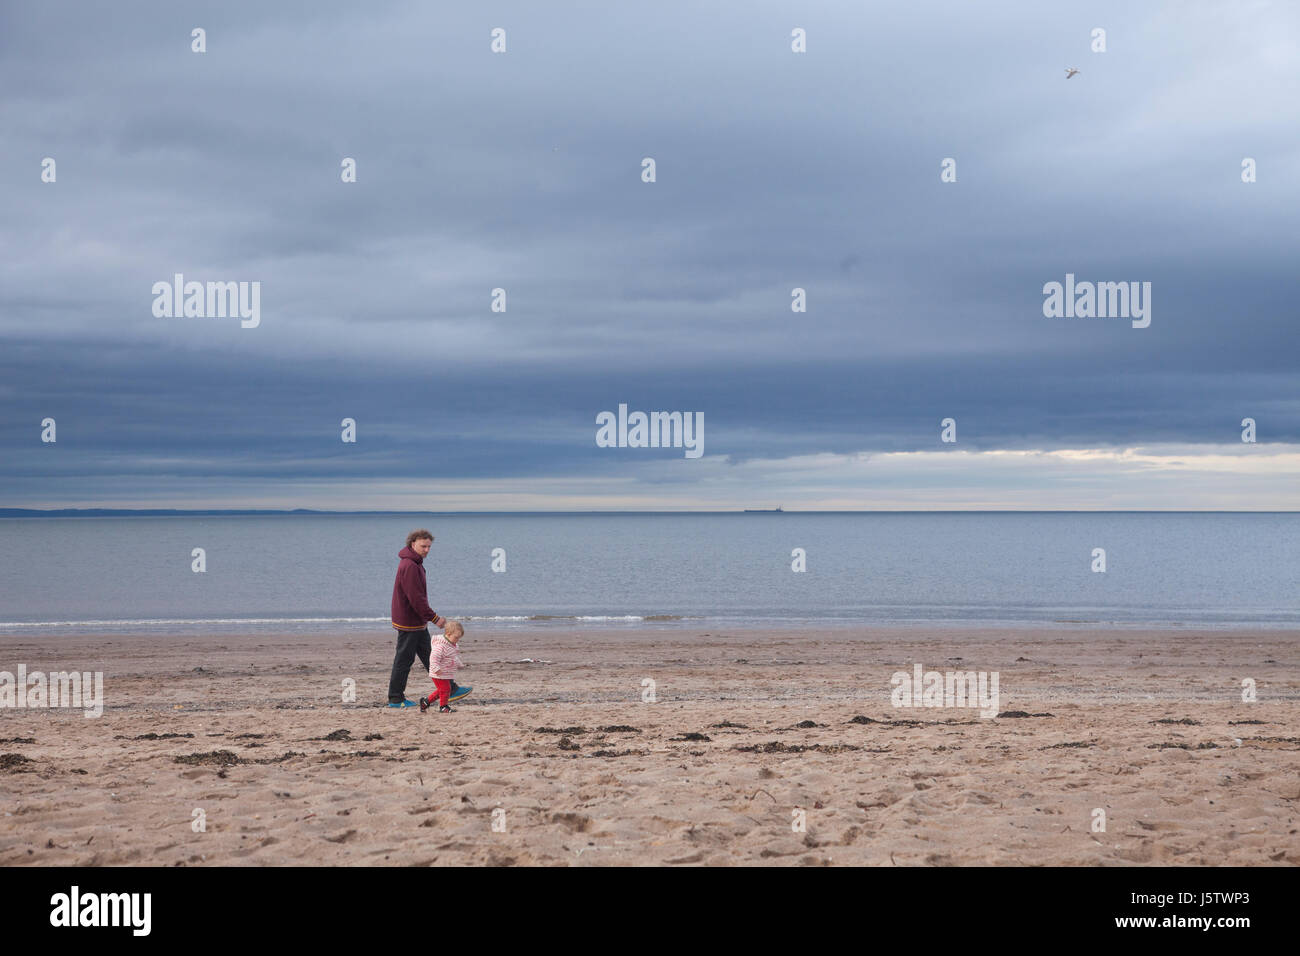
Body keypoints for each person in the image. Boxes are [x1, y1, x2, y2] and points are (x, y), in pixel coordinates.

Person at [387, 529, 449, 708]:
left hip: (416, 621)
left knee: (431, 657)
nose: (427, 550)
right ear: (412, 544)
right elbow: (416, 598)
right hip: (409, 621)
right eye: (423, 546)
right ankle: (395, 698)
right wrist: (434, 617)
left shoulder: (415, 563)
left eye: (429, 546)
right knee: (404, 660)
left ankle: (450, 688)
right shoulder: (410, 566)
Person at [420, 620, 465, 713]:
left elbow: (454, 657)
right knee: (446, 689)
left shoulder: (453, 645)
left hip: (446, 672)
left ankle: (425, 702)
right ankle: (443, 706)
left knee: (441, 690)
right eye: (456, 637)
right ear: (448, 634)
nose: (457, 640)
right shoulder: (440, 646)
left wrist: (459, 664)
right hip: (438, 673)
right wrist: (436, 668)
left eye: (459, 638)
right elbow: (433, 658)